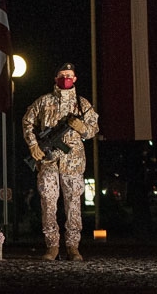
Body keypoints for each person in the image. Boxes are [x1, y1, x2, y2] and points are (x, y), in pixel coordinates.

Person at [22, 62, 100, 262]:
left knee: (73, 204)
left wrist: (82, 127)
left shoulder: (82, 104)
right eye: (62, 74)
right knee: (48, 203)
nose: (66, 78)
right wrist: (33, 145)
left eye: (69, 74)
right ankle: (52, 246)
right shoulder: (43, 102)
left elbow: (93, 130)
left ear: (75, 79)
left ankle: (73, 246)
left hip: (73, 163)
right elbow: (27, 122)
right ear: (55, 78)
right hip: (48, 162)